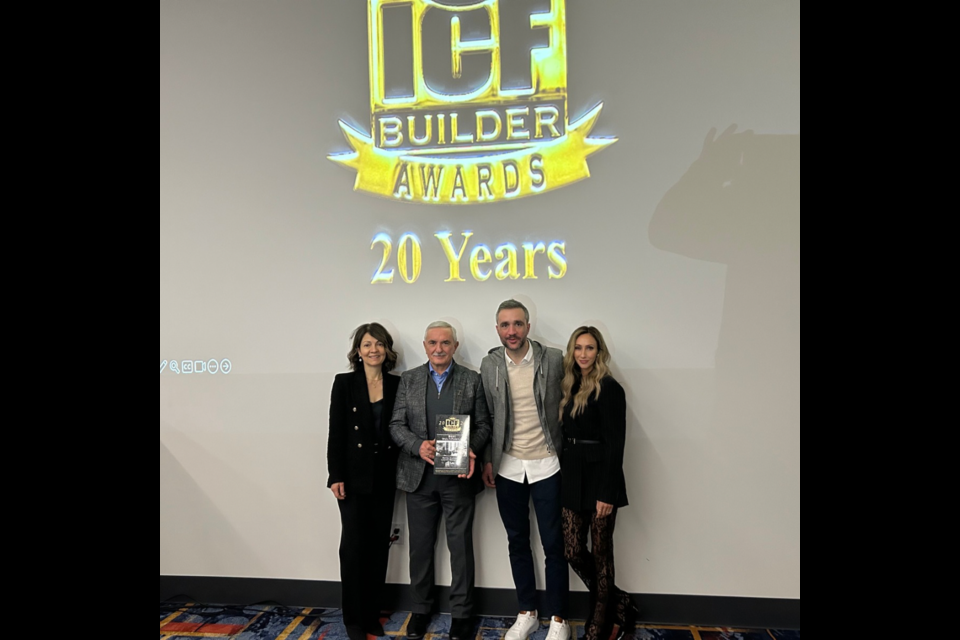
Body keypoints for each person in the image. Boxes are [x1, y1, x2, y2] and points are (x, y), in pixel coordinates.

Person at [389, 321, 492, 640]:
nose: (439, 348)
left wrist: (470, 450)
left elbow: (484, 426)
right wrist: (416, 445)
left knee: (460, 547)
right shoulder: (409, 379)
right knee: (420, 549)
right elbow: (396, 425)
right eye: (433, 342)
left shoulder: (471, 380)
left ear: (455, 346)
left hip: (458, 478)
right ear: (424, 345)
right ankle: (421, 609)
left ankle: (462, 613)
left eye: (445, 342)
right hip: (419, 478)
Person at [480, 300, 570, 640]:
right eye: (504, 325)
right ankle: (527, 611)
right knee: (517, 542)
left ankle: (559, 618)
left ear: (528, 326)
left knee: (553, 545)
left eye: (517, 324)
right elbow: (488, 417)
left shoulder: (554, 360)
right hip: (508, 467)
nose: (511, 331)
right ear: (498, 329)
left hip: (548, 463)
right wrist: (490, 458)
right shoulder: (490, 364)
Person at [559, 327, 639, 640]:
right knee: (573, 550)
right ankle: (620, 600)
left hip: (600, 478)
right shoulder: (569, 383)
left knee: (602, 553)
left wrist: (607, 492)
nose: (583, 354)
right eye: (577, 348)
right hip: (573, 475)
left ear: (599, 352)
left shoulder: (609, 388)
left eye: (589, 348)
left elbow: (615, 444)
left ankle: (597, 624)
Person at [327, 323, 403, 640]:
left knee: (377, 549)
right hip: (353, 479)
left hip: (385, 477)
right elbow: (336, 432)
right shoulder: (344, 384)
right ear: (358, 351)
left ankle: (372, 616)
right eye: (367, 344)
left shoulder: (398, 384)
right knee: (353, 549)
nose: (374, 350)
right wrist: (335, 475)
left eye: (379, 344)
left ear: (387, 350)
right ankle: (353, 620)